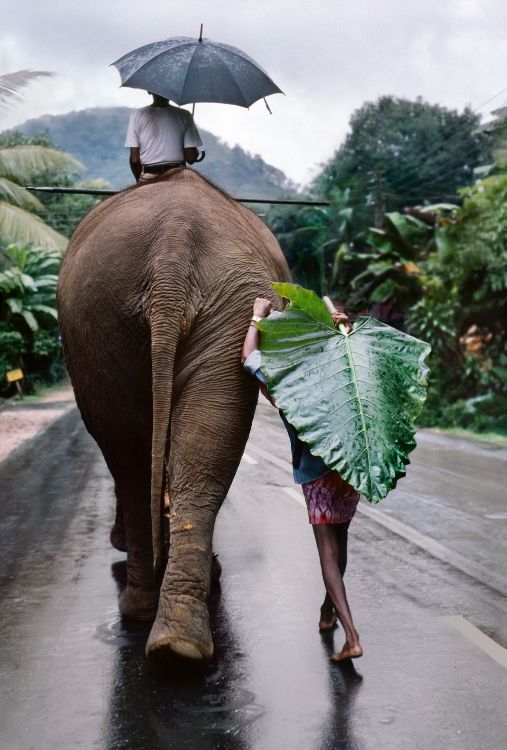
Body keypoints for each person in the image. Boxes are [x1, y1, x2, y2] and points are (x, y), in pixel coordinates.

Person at [241, 297, 363, 662]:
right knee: (340, 547)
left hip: (318, 474)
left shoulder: (290, 379)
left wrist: (257, 317)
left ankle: (352, 637)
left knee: (328, 555)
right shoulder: (339, 365)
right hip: (350, 468)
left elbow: (248, 357)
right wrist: (346, 329)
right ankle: (328, 615)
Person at [125, 92, 203, 182]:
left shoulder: (137, 114)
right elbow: (190, 158)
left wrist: (138, 181)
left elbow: (135, 160)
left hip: (149, 175)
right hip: (178, 175)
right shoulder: (185, 115)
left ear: (149, 91)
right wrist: (194, 150)